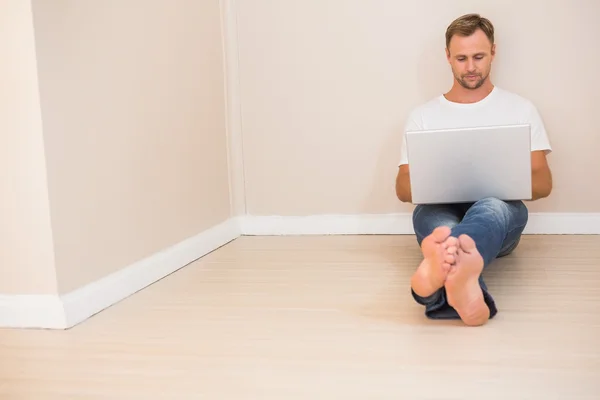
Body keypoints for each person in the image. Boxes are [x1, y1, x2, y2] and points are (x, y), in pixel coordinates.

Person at [395, 13, 553, 327]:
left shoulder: (520, 109)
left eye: (479, 57)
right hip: (440, 210)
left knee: (489, 208)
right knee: (431, 218)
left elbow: (544, 182)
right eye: (462, 58)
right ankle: (463, 284)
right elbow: (402, 188)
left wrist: (500, 184)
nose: (470, 67)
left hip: (500, 216)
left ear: (493, 52)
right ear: (447, 58)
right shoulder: (422, 116)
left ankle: (435, 278)